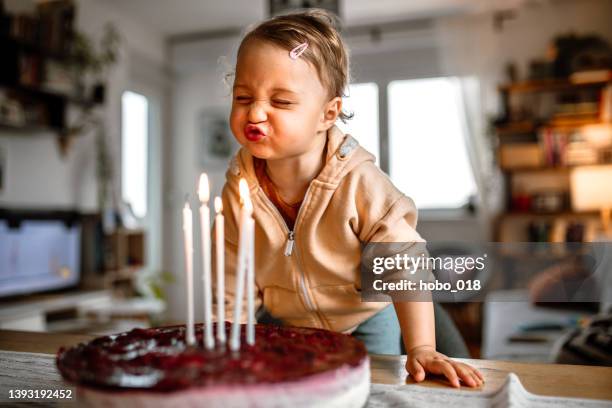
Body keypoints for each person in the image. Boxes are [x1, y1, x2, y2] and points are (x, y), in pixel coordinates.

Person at [218, 9, 483, 388]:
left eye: (281, 101)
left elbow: (404, 262)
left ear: (328, 114)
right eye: (243, 96)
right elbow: (232, 276)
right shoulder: (237, 190)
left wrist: (422, 346)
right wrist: (231, 340)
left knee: (370, 394)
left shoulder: (360, 182)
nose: (255, 111)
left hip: (366, 323)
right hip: (285, 327)